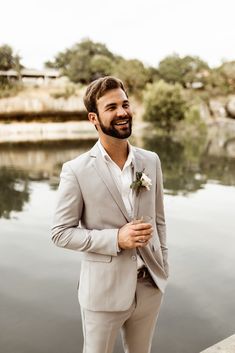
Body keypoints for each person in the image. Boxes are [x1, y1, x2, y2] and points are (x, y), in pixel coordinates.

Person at [51, 76, 169, 353]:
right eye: (111, 107)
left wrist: (162, 266)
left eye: (125, 104)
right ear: (94, 118)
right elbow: (60, 233)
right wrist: (116, 238)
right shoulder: (75, 170)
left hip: (150, 286)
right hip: (102, 294)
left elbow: (159, 219)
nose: (122, 112)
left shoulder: (150, 160)